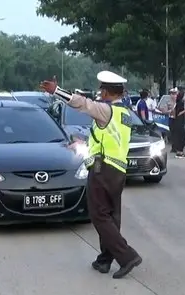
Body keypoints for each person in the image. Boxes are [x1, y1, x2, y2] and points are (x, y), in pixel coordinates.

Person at [40, 72, 142, 279]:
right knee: (111, 216)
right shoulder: (125, 112)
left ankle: (127, 255)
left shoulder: (106, 110)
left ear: (105, 91)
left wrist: (57, 91)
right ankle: (104, 260)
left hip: (102, 169)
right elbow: (107, 140)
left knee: (99, 216)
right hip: (118, 170)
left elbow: (83, 104)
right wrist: (82, 145)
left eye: (101, 89)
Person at [172, 90, 185, 158]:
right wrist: (184, 110)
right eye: (184, 95)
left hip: (179, 121)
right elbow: (178, 113)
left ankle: (179, 152)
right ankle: (180, 152)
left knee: (180, 136)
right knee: (181, 137)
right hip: (179, 122)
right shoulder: (180, 103)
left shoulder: (179, 103)